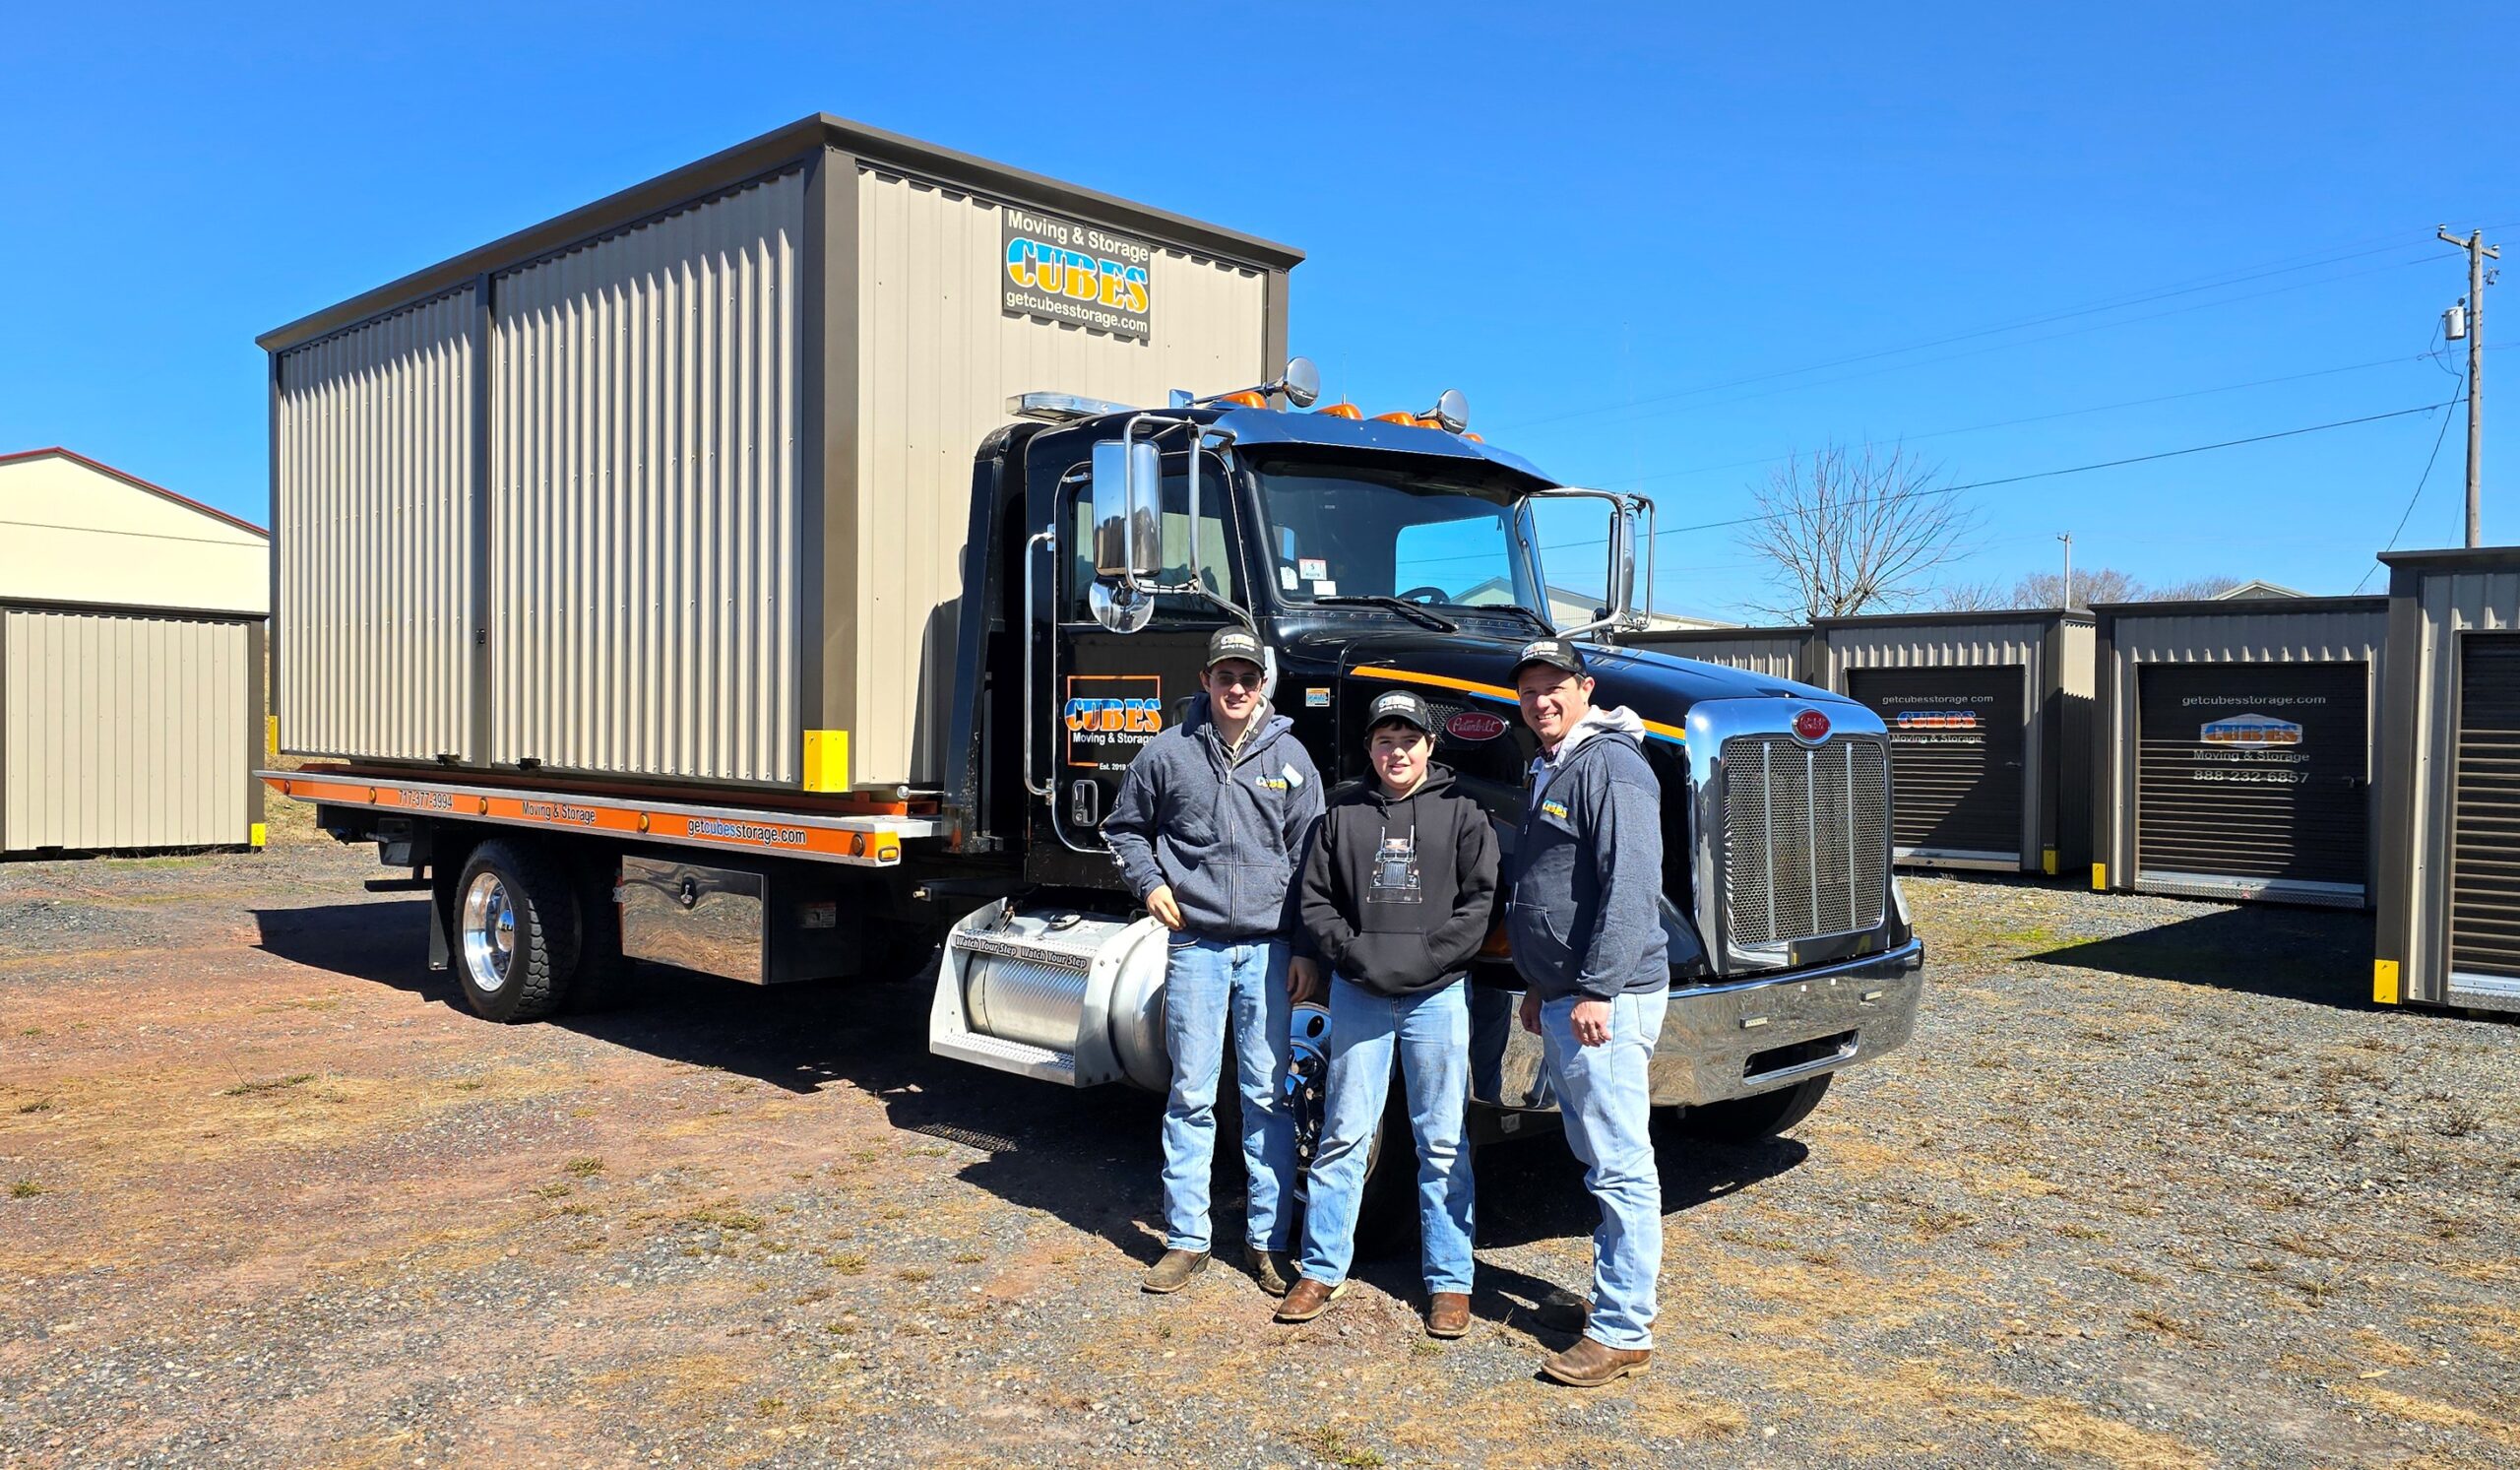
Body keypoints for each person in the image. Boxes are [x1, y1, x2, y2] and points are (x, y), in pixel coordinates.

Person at [1103, 625, 1325, 1297]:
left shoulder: (1290, 757)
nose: (1236, 688)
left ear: (1263, 686)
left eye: (1248, 678)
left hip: (1269, 950)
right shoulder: (1166, 753)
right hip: (1196, 945)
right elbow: (1124, 830)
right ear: (1205, 681)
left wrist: (1308, 949)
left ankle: (1268, 1241)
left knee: (1266, 1095)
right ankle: (1186, 1239)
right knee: (1192, 1094)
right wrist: (1150, 883)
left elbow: (1312, 860)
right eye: (1224, 676)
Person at [1277, 689, 1498, 1338]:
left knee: (1442, 1139)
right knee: (1344, 1133)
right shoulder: (1341, 814)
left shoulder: (1463, 812)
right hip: (1359, 993)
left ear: (1430, 746)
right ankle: (1320, 1267)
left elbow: (1480, 903)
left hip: (1437, 997)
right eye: (1383, 739)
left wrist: (1428, 957)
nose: (1395, 750)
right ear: (1369, 749)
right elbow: (1314, 899)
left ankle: (1450, 1282)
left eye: (1408, 739)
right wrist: (1352, 954)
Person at [1504, 637, 1670, 1388]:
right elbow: (1555, 885)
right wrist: (1543, 984)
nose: (1541, 700)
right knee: (1595, 1156)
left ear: (1585, 687)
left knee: (1620, 1164)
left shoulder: (1611, 764)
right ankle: (1610, 1302)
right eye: (1530, 689)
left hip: (1611, 998)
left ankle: (1624, 1329)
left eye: (1555, 687)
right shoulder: (1550, 762)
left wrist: (1599, 985)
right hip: (1570, 996)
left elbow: (1632, 884)